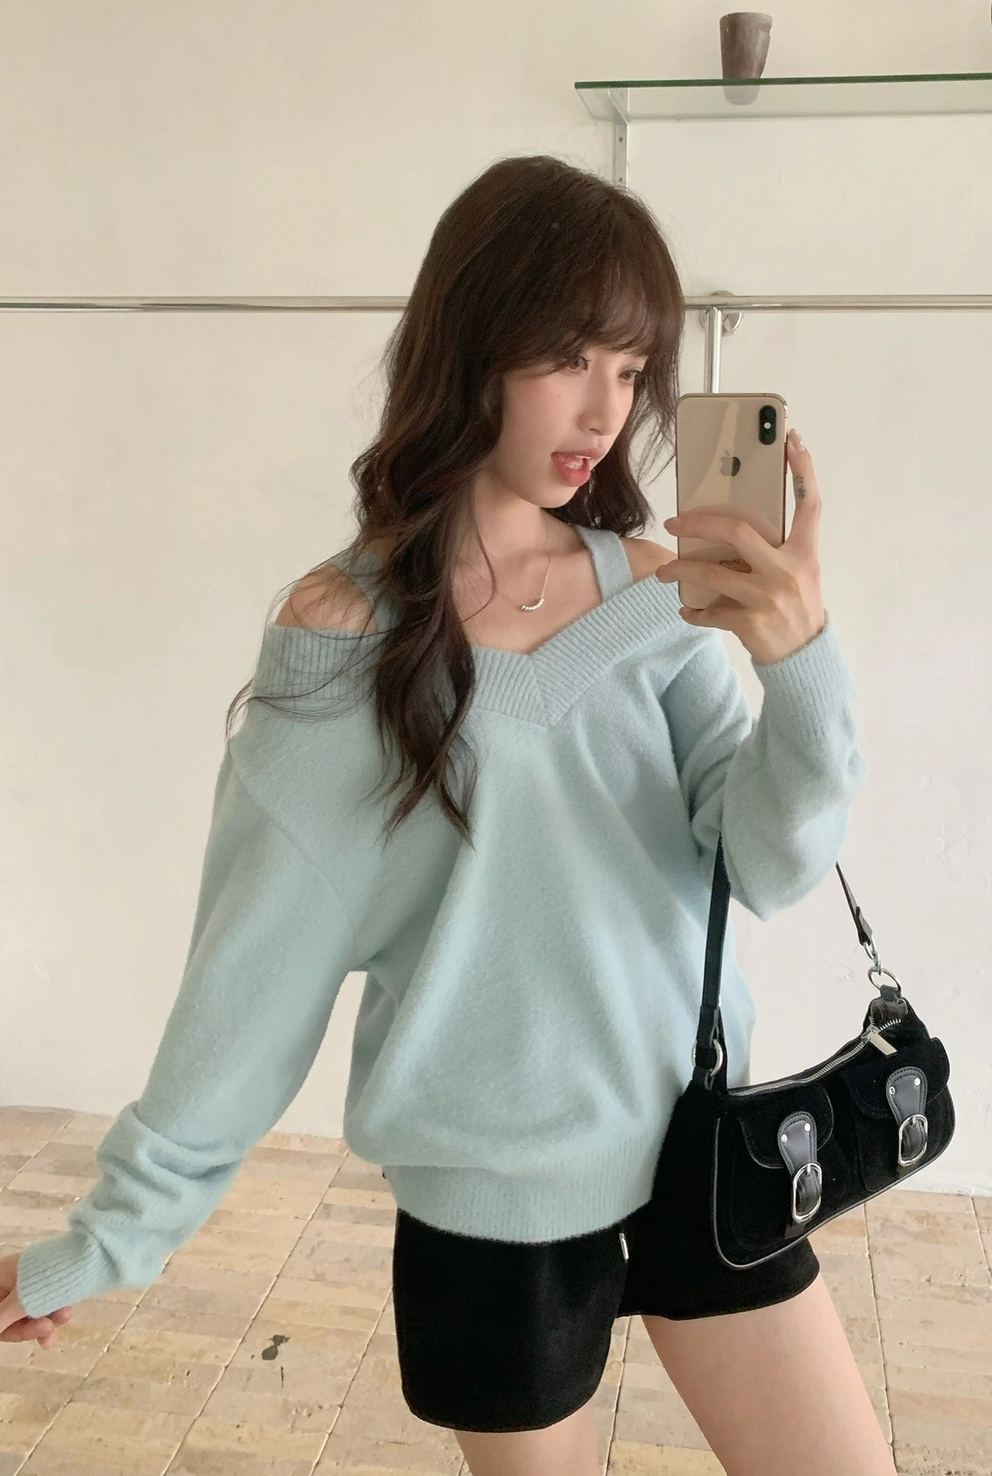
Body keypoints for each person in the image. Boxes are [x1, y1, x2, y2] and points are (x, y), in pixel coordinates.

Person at [0, 154, 892, 1475]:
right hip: (491, 1211)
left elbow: (767, 864)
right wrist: (112, 1236)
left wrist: (800, 661)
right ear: (473, 341)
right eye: (569, 357)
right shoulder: (344, 638)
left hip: (705, 1153)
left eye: (631, 369)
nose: (605, 408)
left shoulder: (662, 600)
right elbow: (251, 982)